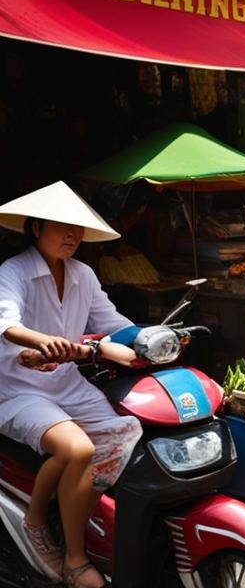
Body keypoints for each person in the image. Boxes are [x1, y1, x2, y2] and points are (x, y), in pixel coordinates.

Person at [0, 181, 143, 588]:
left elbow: (114, 324)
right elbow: (6, 323)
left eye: (77, 228)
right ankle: (55, 540)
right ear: (35, 228)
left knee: (124, 433)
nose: (72, 235)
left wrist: (153, 336)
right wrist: (42, 340)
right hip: (17, 387)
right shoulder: (14, 272)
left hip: (66, 383)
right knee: (78, 449)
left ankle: (74, 514)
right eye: (61, 226)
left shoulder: (83, 274)